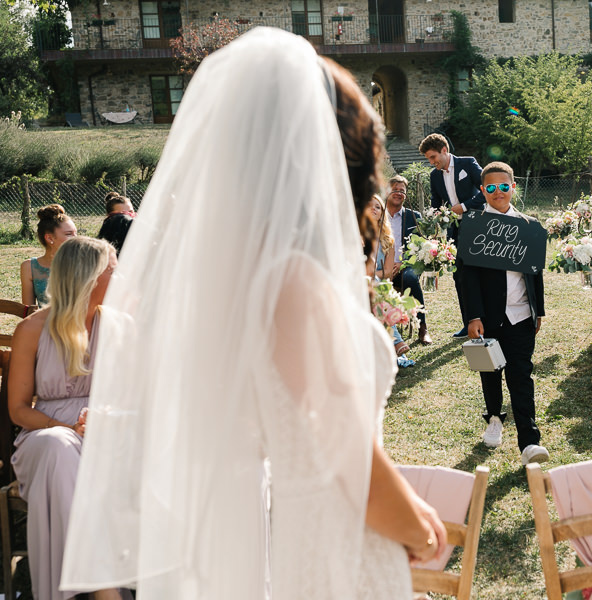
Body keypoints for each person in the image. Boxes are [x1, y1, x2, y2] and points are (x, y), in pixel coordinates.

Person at [60, 28, 445, 599]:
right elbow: (345, 459)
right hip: (343, 550)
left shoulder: (246, 276)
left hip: (300, 540)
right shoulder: (293, 281)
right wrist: (421, 529)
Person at [8, 237, 121, 600]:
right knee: (59, 451)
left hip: (109, 433)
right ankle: (104, 590)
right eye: (113, 272)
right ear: (89, 279)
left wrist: (110, 419)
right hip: (45, 432)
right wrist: (65, 428)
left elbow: (142, 398)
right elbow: (18, 410)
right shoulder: (32, 330)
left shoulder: (122, 327)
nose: (122, 279)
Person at [462, 161, 549, 466]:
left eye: (503, 186)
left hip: (523, 314)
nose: (498, 192)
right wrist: (473, 317)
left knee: (521, 375)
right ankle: (495, 418)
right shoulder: (473, 225)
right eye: (490, 188)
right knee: (490, 372)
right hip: (487, 317)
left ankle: (529, 442)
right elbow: (467, 277)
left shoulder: (529, 225)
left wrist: (538, 310)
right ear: (482, 190)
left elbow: (535, 273)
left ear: (513, 187)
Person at [418, 132, 486, 338]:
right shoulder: (435, 176)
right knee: (459, 276)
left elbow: (487, 189)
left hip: (479, 227)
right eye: (428, 159)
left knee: (481, 274)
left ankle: (486, 320)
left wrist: (464, 207)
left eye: (433, 157)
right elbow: (436, 204)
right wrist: (433, 224)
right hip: (455, 232)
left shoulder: (468, 163)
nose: (431, 163)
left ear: (444, 151)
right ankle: (468, 323)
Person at [385, 175, 431, 345]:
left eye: (402, 191)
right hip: (381, 265)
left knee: (410, 278)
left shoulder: (414, 217)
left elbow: (420, 248)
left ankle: (423, 327)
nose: (398, 193)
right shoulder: (378, 213)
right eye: (395, 190)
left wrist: (403, 262)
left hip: (406, 266)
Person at [368, 194, 413, 363]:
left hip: (377, 284)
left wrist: (371, 275)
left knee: (376, 284)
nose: (374, 208)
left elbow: (387, 272)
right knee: (374, 284)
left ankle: (392, 341)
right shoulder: (355, 236)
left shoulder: (387, 240)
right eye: (369, 206)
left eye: (378, 207)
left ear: (382, 213)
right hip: (355, 283)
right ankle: (396, 340)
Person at [20, 204, 77, 307]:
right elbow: (29, 312)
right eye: (69, 234)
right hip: (44, 322)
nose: (76, 238)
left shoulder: (83, 263)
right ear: (50, 238)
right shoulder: (29, 267)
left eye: (75, 233)